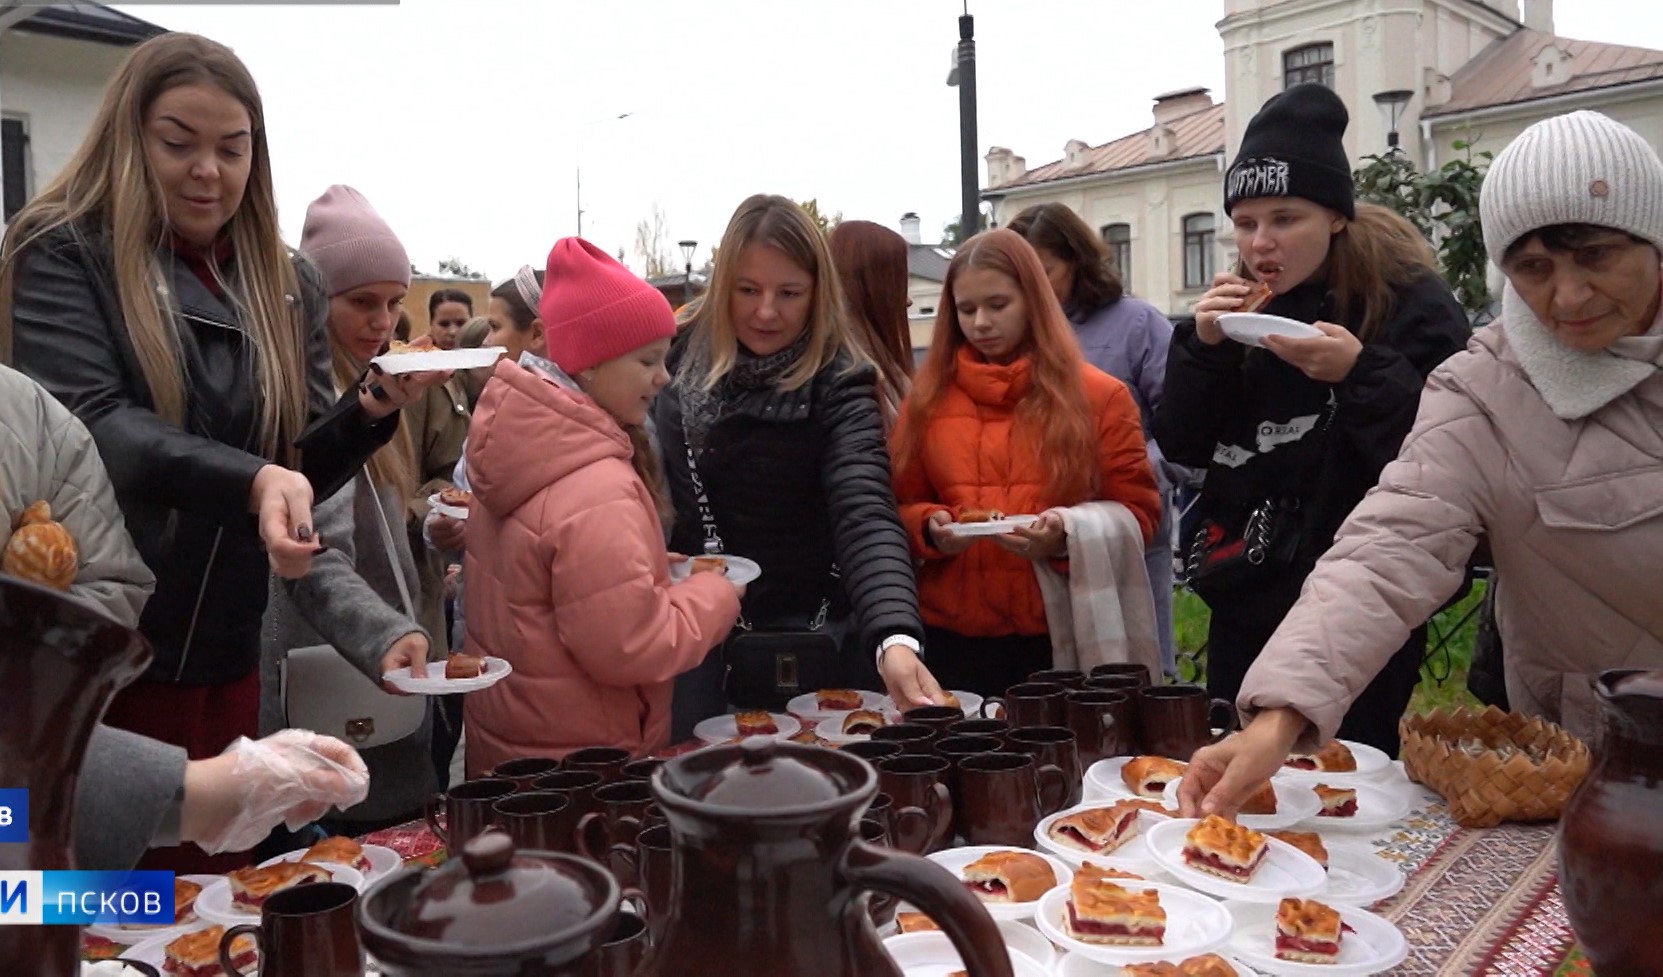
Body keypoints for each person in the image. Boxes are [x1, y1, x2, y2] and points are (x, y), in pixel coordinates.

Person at [0, 33, 442, 872]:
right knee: (85, 907)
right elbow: (96, 422)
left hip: (232, 656)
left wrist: (368, 412)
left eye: (231, 149)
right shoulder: (62, 249)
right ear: (131, 140)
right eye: (179, 143)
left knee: (216, 906)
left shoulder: (284, 281)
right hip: (108, 655)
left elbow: (297, 469)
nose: (208, 170)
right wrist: (254, 479)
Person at [1180, 110, 1663, 817]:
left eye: (1593, 255)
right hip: (1598, 765)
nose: (1565, 297)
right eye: (1531, 268)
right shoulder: (1483, 387)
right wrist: (1279, 716)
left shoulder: (1403, 306)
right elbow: (1389, 548)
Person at [1151, 83, 1470, 756]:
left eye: (1283, 218)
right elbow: (1181, 443)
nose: (1259, 243)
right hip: (1241, 584)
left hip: (1359, 602)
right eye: (1243, 223)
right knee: (1236, 761)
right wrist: (1202, 349)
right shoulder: (1236, 311)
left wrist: (1358, 372)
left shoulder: (1408, 302)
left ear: (1334, 216)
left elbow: (1443, 460)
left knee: (1336, 777)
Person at [0, 361, 368, 871]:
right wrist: (191, 797)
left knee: (154, 922)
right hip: (45, 824)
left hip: (40, 839)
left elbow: (112, 582)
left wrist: (192, 797)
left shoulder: (29, 410)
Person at [654, 194, 932, 738]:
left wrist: (895, 637)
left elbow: (865, 510)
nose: (766, 312)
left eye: (789, 293)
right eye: (748, 290)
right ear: (722, 286)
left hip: (824, 628)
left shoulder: (842, 376)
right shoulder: (672, 359)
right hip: (698, 630)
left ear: (817, 294)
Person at [461, 238, 742, 773]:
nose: (663, 378)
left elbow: (554, 593)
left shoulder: (519, 448)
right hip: (589, 769)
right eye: (647, 361)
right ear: (589, 365)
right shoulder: (596, 485)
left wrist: (657, 572)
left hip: (517, 754)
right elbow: (631, 645)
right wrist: (717, 593)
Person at [890, 229, 1161, 695]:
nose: (981, 323)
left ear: (1034, 300)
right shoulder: (927, 399)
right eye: (966, 309)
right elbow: (900, 503)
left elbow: (1139, 513)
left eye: (998, 305)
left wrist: (1064, 536)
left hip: (1057, 636)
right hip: (951, 635)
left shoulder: (1101, 397)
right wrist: (929, 528)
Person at [260, 185, 436, 833]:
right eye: (362, 301)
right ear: (315, 302)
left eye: (393, 302)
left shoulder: (379, 390)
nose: (382, 320)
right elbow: (313, 549)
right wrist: (384, 631)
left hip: (378, 668)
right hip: (325, 681)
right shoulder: (312, 405)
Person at [1007, 202, 1186, 678]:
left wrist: (1137, 472)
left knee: (1129, 673)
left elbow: (1185, 430)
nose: (1033, 289)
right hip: (1038, 539)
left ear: (1077, 261)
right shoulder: (1010, 331)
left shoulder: (1137, 324)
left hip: (1127, 531)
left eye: (1043, 272)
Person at [828, 220, 915, 429]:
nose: (907, 300)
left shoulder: (859, 363)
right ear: (870, 286)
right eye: (897, 283)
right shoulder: (856, 377)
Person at [427, 287, 473, 351]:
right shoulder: (413, 356)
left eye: (461, 323)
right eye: (444, 324)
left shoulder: (487, 357)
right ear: (431, 324)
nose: (453, 332)